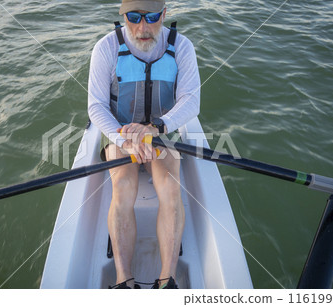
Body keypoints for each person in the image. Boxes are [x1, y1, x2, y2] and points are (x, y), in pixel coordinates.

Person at [88, 0, 200, 289]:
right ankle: (124, 279)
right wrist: (125, 139)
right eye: (134, 18)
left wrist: (155, 128)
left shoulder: (182, 47)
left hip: (160, 136)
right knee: (123, 187)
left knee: (170, 186)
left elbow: (191, 101)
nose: (143, 27)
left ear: (164, 14)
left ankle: (168, 279)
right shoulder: (106, 48)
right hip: (121, 135)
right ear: (123, 15)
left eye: (151, 17)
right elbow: (97, 107)